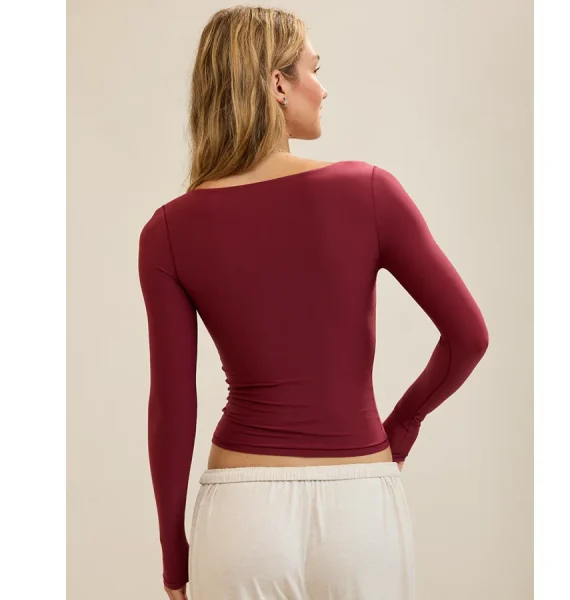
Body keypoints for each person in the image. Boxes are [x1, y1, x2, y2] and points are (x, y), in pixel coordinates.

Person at [137, 6, 489, 600]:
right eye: (314, 69)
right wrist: (401, 428)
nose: (323, 89)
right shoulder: (368, 191)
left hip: (242, 515)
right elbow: (469, 336)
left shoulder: (168, 230)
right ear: (278, 84)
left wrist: (175, 557)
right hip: (360, 507)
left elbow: (173, 405)